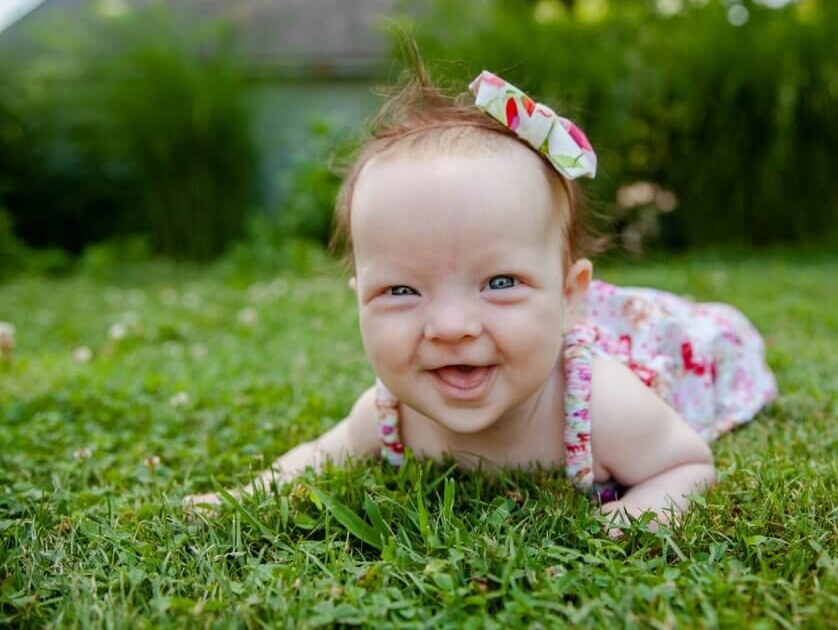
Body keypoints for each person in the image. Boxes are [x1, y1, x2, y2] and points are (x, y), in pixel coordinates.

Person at [185, 66, 777, 524]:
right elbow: (320, 454)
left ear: (571, 297)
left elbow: (688, 466)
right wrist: (242, 496)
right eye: (400, 290)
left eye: (499, 283)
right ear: (358, 299)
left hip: (674, 346)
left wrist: (628, 520)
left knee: (705, 337)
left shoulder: (599, 403)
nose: (450, 326)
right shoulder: (389, 412)